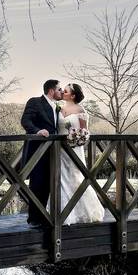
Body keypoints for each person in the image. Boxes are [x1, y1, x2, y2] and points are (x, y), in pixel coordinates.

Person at [57, 83, 106, 225]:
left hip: (74, 148)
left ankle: (83, 211)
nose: (63, 93)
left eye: (65, 91)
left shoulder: (80, 109)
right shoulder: (59, 109)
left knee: (75, 176)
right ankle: (62, 213)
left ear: (72, 95)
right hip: (59, 149)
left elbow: (84, 132)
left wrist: (76, 138)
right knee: (61, 178)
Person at [20, 79, 62, 225]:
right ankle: (33, 219)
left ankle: (44, 215)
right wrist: (37, 131)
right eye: (59, 89)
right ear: (51, 90)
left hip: (53, 152)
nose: (61, 92)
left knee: (49, 184)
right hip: (37, 151)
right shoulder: (35, 102)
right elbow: (25, 121)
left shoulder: (58, 107)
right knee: (37, 184)